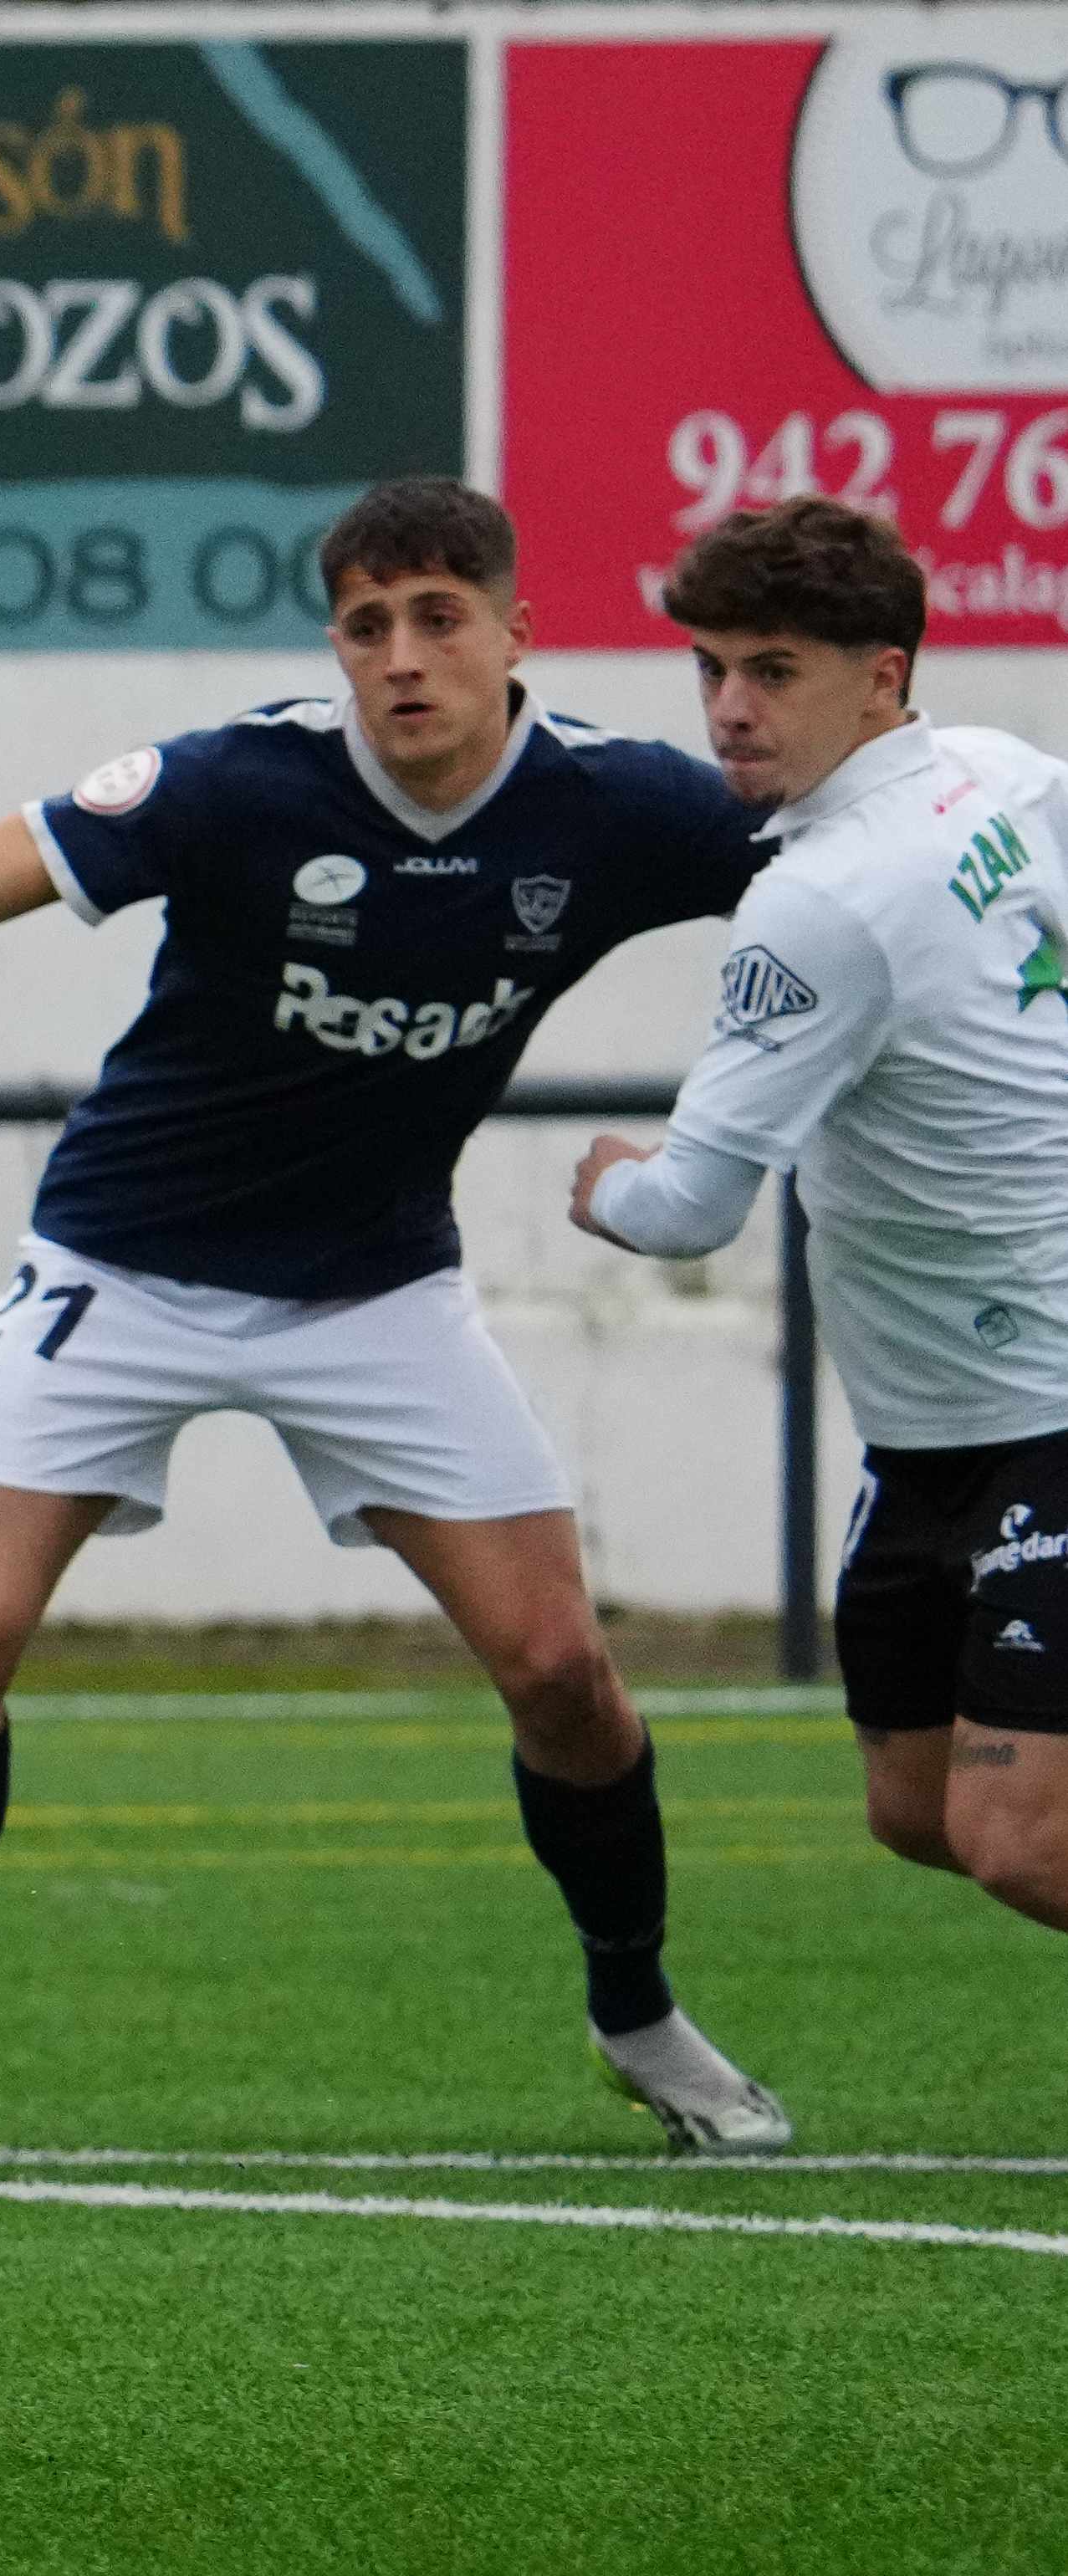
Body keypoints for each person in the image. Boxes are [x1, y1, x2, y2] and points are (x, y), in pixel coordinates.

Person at [0, 477, 792, 2155]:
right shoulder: (227, 785)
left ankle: (639, 2015)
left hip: (376, 1292)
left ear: (515, 631)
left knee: (560, 1670)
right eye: (364, 625)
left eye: (438, 617)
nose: (400, 656)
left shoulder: (618, 806)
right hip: (117, 1268)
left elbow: (864, 858)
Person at [574, 497, 1068, 1942]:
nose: (730, 710)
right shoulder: (998, 772)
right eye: (711, 670)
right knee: (912, 1809)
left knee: (1014, 1836)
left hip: (1044, 1405)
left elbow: (686, 1216)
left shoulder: (816, 903)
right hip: (926, 1439)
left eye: (773, 672)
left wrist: (599, 1178)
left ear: (885, 675)